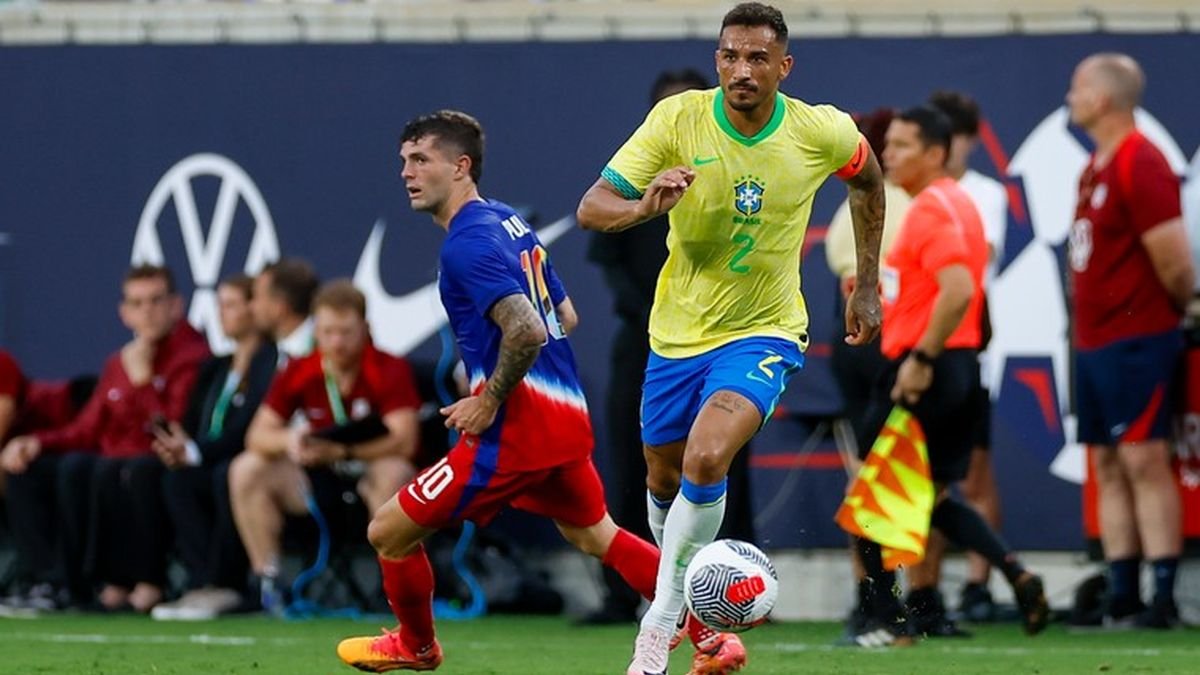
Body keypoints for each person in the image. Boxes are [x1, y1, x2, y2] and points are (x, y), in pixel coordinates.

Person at [337, 111, 739, 675]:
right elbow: (564, 316)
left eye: (420, 160)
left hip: (515, 433)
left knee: (387, 533)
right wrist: (489, 367)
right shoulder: (507, 221)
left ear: (460, 166)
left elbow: (526, 330)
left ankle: (416, 646)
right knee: (597, 535)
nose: (406, 172)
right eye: (404, 160)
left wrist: (489, 397)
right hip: (564, 419)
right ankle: (712, 637)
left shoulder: (465, 245)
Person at [575, 3, 885, 671]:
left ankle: (660, 620)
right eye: (730, 56)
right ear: (717, 60)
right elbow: (592, 207)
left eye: (756, 58)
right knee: (662, 475)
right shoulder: (678, 119)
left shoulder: (819, 130)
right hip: (677, 334)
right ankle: (697, 620)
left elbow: (867, 177)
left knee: (708, 456)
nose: (741, 70)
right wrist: (643, 206)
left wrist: (867, 283)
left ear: (784, 66)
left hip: (765, 329)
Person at [852, 105, 1049, 645]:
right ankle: (1014, 572)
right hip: (958, 367)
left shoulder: (931, 209)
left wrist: (921, 360)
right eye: (888, 144)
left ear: (936, 153)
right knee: (932, 499)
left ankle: (885, 620)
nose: (888, 154)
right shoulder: (961, 203)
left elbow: (959, 290)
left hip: (925, 368)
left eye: (902, 145)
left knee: (870, 491)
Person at [584, 67, 757, 627]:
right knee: (637, 464)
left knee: (720, 460)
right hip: (646, 340)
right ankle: (623, 593)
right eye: (669, 109)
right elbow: (602, 245)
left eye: (690, 106)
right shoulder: (633, 177)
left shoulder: (735, 175)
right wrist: (652, 312)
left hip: (724, 338)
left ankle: (733, 592)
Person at [1065, 53, 1196, 628]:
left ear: (1101, 99)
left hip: (1138, 337)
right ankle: (1123, 593)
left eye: (1077, 89)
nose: (1070, 99)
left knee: (1144, 459)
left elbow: (1175, 261)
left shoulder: (1141, 160)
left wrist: (1178, 306)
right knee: (1108, 462)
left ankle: (1162, 595)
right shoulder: (1093, 166)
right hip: (1095, 339)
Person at [2, 264, 210, 612]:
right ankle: (54, 582)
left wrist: (143, 382)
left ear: (177, 305)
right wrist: (36, 442)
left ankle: (142, 580)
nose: (147, 311)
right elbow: (86, 428)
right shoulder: (119, 361)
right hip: (111, 462)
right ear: (124, 313)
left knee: (117, 471)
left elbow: (171, 429)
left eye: (156, 300)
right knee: (37, 469)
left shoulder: (193, 357)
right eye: (137, 303)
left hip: (156, 463)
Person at [230, 279, 422, 614]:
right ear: (315, 331)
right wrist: (290, 440)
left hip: (370, 476)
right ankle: (269, 584)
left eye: (346, 332)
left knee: (395, 472)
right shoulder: (300, 369)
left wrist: (346, 452)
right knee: (247, 469)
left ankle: (395, 587)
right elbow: (257, 435)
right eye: (328, 332)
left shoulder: (389, 368)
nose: (337, 342)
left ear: (365, 329)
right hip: (316, 478)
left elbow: (405, 440)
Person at [899, 90, 1010, 633]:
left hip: (952, 349)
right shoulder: (920, 196)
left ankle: (976, 584)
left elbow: (966, 276)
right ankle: (927, 594)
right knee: (928, 483)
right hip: (936, 351)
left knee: (957, 478)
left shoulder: (964, 199)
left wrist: (922, 352)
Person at [149, 275, 278, 620]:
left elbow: (249, 425)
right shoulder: (216, 367)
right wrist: (180, 444)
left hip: (247, 462)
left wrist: (196, 452)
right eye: (220, 305)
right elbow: (193, 422)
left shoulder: (270, 361)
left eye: (231, 304)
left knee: (227, 475)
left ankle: (228, 584)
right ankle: (201, 582)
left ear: (254, 308)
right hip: (208, 459)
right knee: (177, 480)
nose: (222, 313)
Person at [251, 258, 319, 367]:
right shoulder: (263, 359)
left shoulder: (325, 351)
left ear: (279, 306)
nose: (252, 306)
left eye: (257, 296)